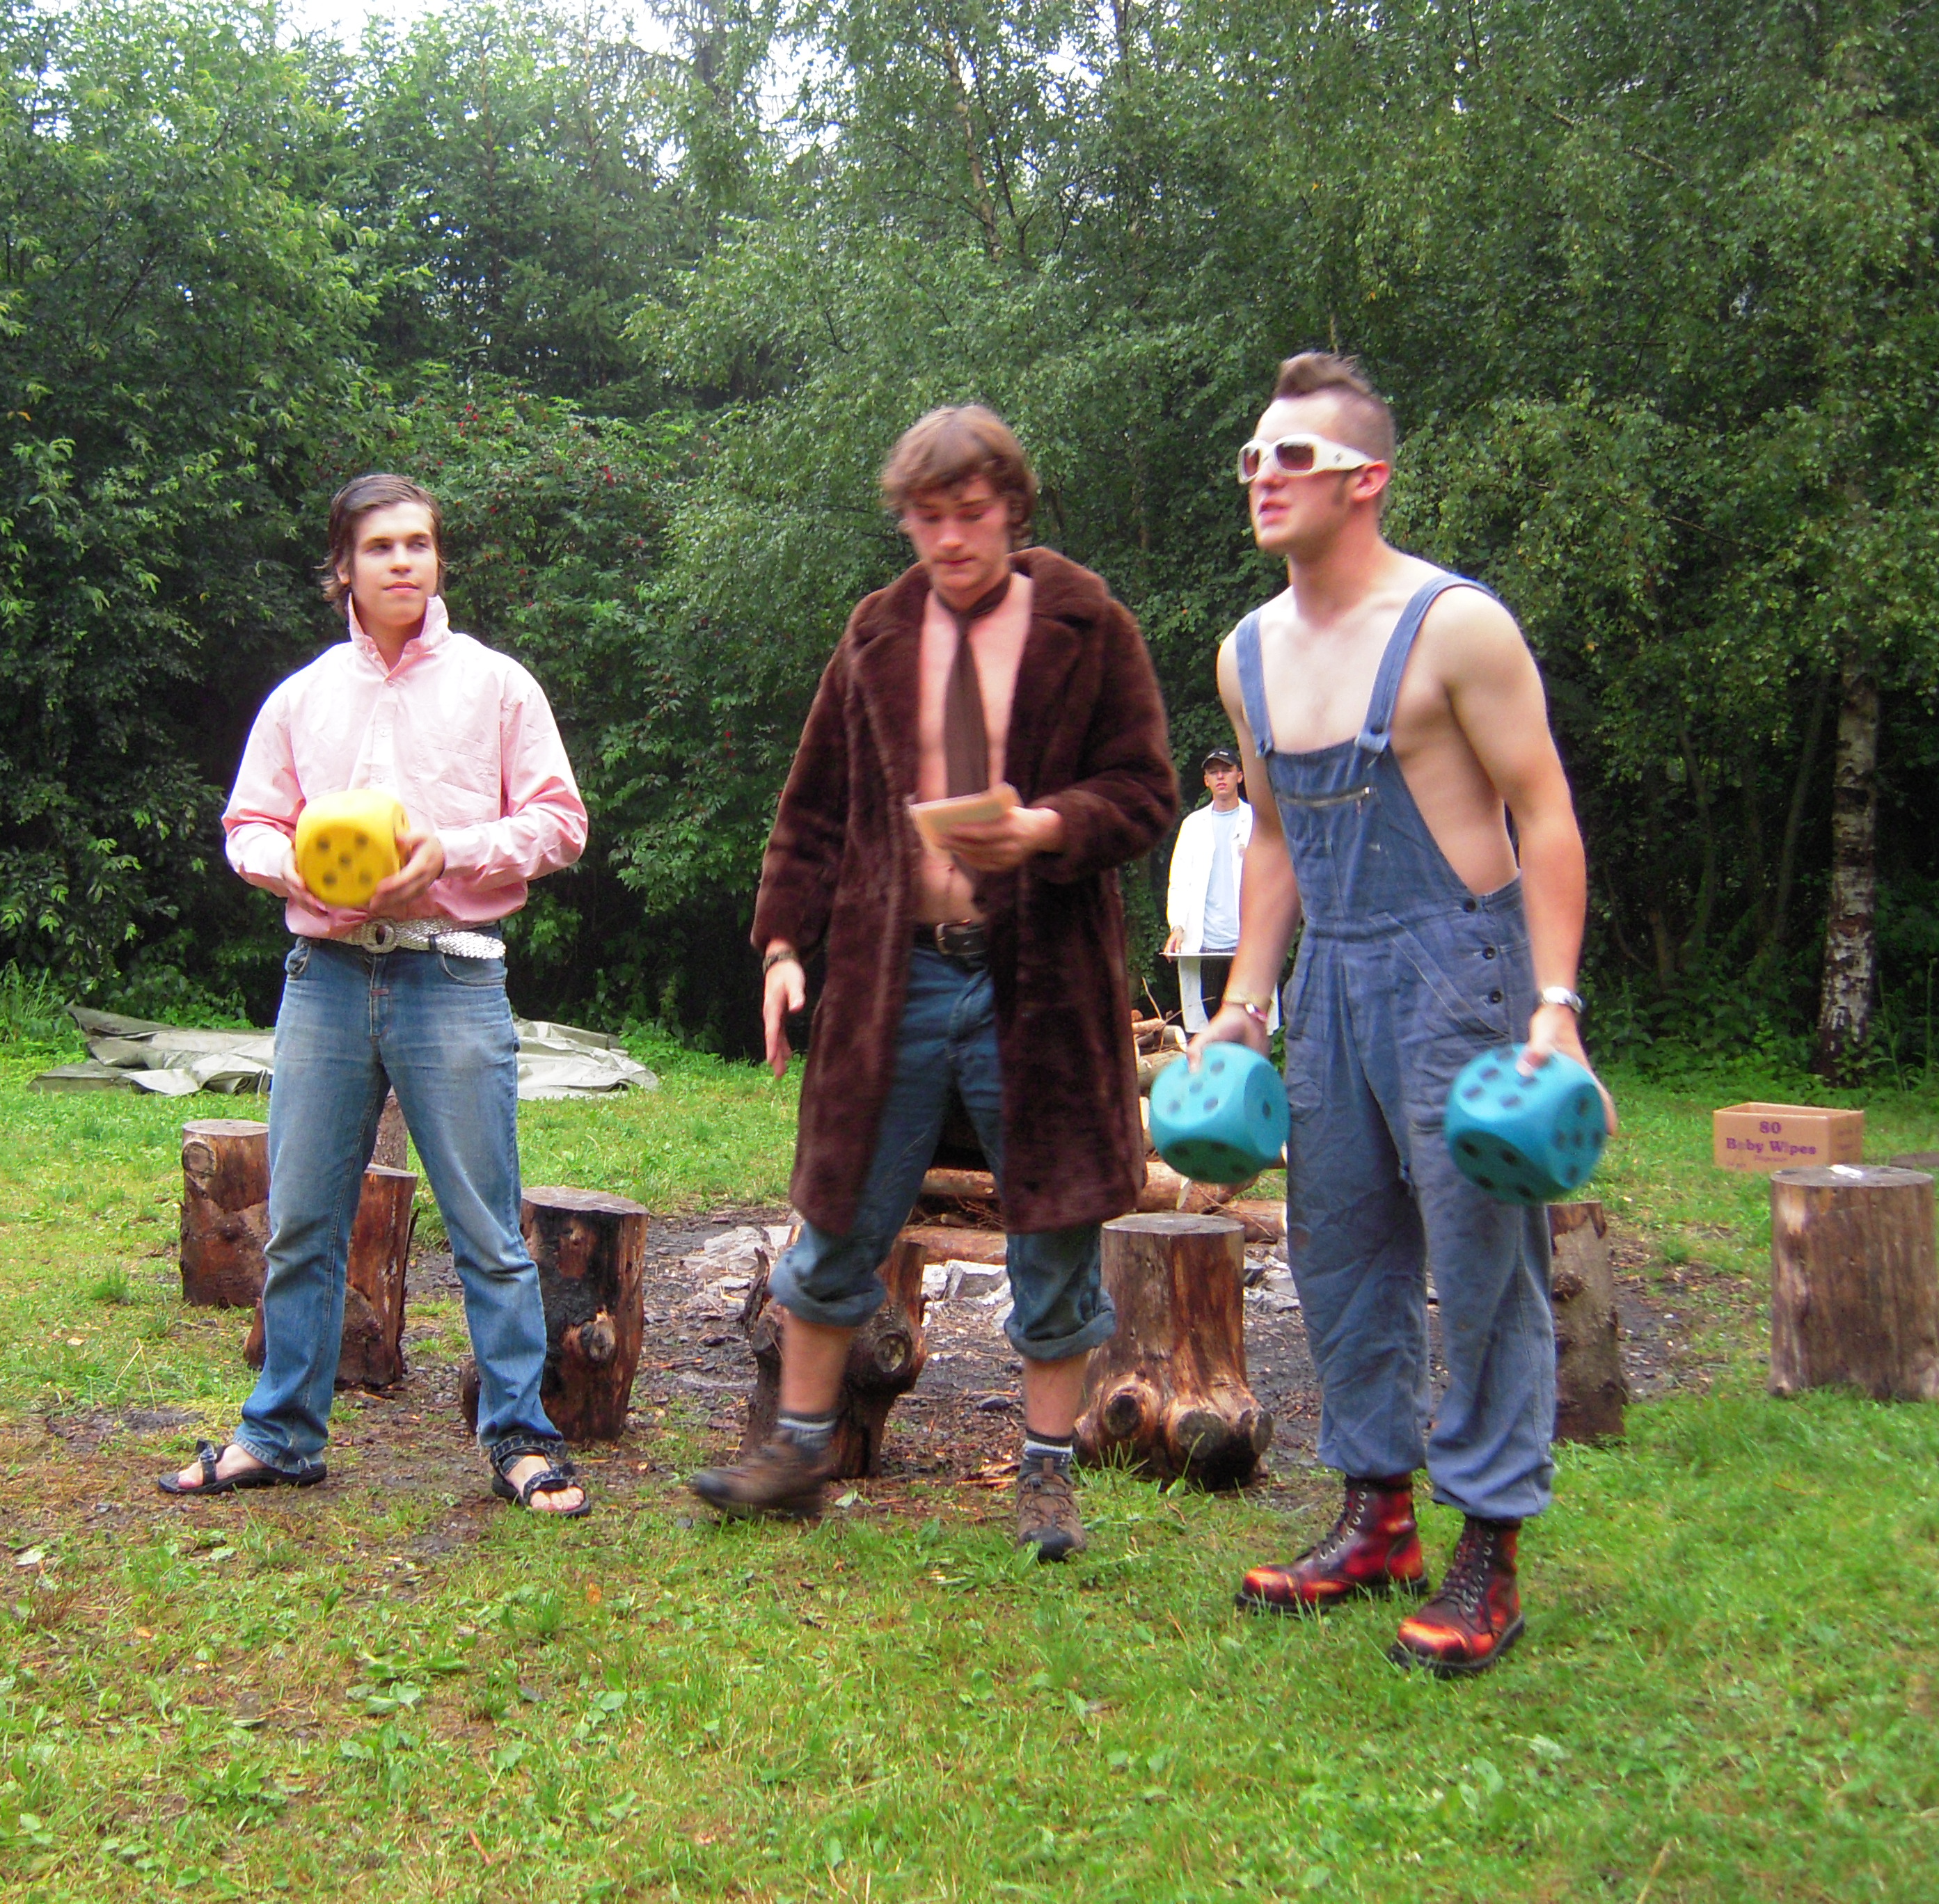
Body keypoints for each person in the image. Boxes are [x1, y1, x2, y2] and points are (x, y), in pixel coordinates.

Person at [688, 406, 1177, 1560]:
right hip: (890, 978)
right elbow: (812, 808)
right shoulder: (875, 634)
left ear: (1012, 507)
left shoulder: (1087, 624)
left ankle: (1047, 1481)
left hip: (1039, 981)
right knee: (839, 1214)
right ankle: (798, 1453)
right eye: (926, 517)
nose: (950, 538)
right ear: (904, 519)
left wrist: (1047, 826)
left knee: (1053, 1227)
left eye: (970, 513)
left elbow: (1144, 790)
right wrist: (781, 947)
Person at [1196, 353, 1612, 1676]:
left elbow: (1544, 815)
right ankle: (1376, 1517)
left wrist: (1555, 1007)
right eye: (1253, 457)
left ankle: (1490, 1543)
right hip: (1328, 977)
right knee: (1339, 1250)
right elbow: (1271, 840)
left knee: (1481, 1261)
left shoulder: (1455, 627)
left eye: (1294, 457)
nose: (1264, 476)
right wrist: (1245, 1003)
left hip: (1458, 970)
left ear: (1366, 479)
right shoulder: (1246, 654)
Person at [159, 474, 595, 1517]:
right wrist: (298, 873)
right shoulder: (303, 696)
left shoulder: (497, 686)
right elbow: (248, 826)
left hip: (452, 969)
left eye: (419, 543)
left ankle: (522, 1440)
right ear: (343, 569)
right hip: (326, 978)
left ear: (437, 559)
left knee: (486, 1230)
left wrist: (451, 849)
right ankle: (280, 1435)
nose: (404, 561)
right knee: (303, 1223)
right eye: (381, 547)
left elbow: (560, 823)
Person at [1164, 747, 1271, 1029]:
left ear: (1240, 775)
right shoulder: (1193, 825)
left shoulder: (1258, 821)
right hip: (1207, 945)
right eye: (1214, 772)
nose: (1220, 777)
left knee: (1249, 1020)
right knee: (1208, 1017)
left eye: (1226, 770)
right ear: (1206, 781)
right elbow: (1180, 881)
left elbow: (1273, 877)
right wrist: (1177, 926)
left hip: (1246, 942)